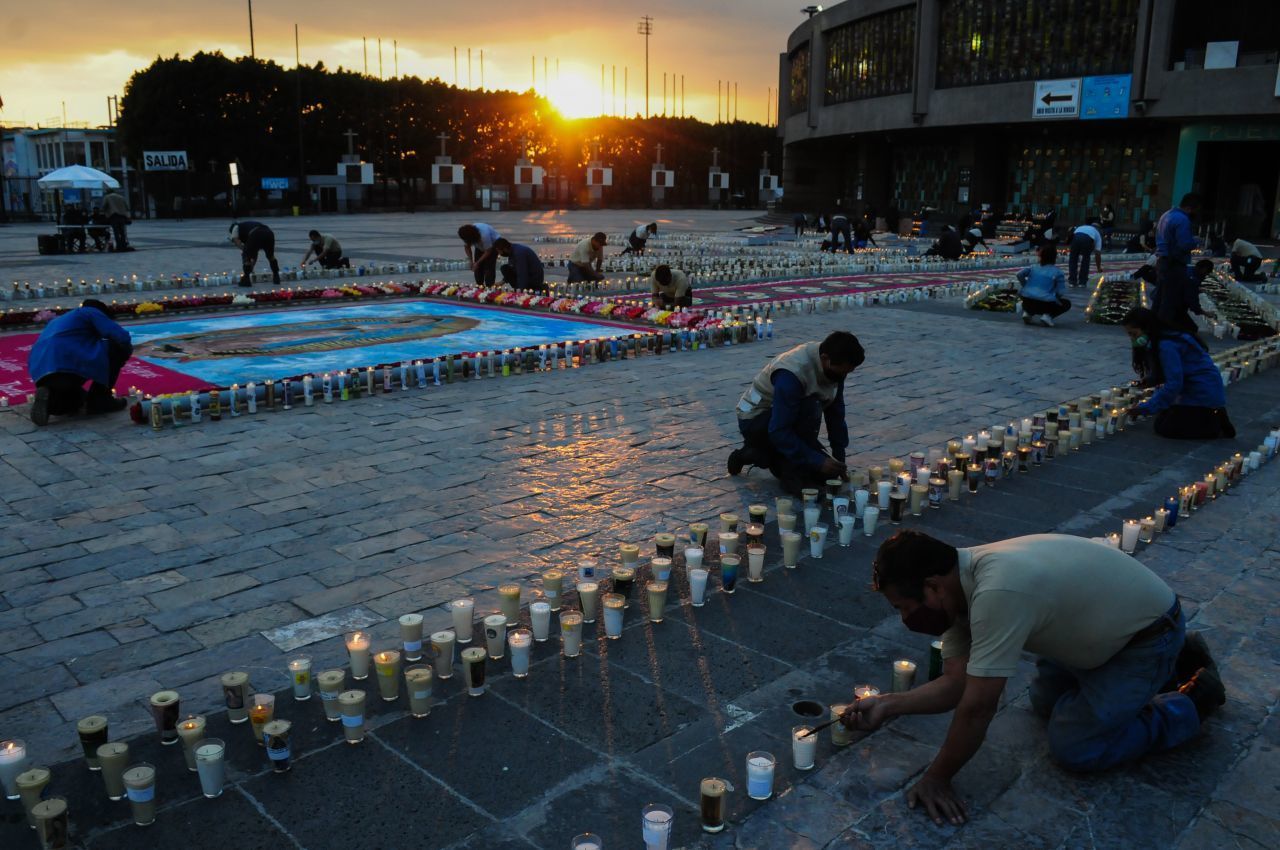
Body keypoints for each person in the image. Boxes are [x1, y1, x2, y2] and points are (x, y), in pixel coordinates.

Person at [849, 530, 1224, 826]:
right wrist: (886, 705)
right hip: (1091, 632)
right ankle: (1165, 664)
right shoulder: (958, 587)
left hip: (1143, 637)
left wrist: (937, 777)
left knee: (1076, 747)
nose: (904, 619)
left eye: (903, 607)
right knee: (1044, 703)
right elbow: (955, 684)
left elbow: (978, 707)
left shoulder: (997, 589)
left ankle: (1191, 699)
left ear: (932, 586)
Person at [727, 331, 864, 496]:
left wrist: (839, 458)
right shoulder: (792, 374)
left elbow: (836, 414)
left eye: (848, 372)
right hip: (756, 420)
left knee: (828, 472)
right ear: (825, 359)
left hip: (787, 419)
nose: (844, 377)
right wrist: (817, 460)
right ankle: (758, 455)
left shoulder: (834, 368)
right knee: (809, 409)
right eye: (842, 372)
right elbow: (779, 431)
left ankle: (765, 453)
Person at [1122, 307, 1235, 439]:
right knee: (1163, 416)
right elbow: (1169, 372)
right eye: (1129, 335)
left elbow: (1174, 383)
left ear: (1147, 328)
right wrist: (1150, 381)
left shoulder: (1166, 345)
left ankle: (1216, 422)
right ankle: (1209, 417)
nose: (1132, 339)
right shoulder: (1165, 338)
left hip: (1202, 393)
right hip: (1192, 391)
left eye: (1134, 334)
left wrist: (1144, 408)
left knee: (1164, 427)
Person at [27, 299, 133, 426]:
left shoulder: (61, 319)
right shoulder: (91, 312)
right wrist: (126, 349)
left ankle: (50, 402)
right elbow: (120, 335)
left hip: (41, 368)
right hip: (66, 359)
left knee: (74, 402)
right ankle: (101, 398)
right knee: (117, 347)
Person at [1153, 194, 1202, 329]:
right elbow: (1184, 244)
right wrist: (1196, 241)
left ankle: (1153, 326)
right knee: (1170, 300)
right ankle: (1163, 330)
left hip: (1162, 260)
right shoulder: (1183, 220)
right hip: (1174, 262)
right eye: (1196, 211)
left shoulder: (1167, 215)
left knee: (1160, 297)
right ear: (1190, 208)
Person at [1015, 243, 1069, 327]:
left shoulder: (1033, 267)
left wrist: (1025, 286)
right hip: (1045, 304)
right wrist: (1055, 297)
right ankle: (1048, 316)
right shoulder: (1058, 272)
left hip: (1027, 301)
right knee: (1066, 303)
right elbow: (1061, 292)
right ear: (1054, 257)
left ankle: (1028, 313)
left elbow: (1019, 274)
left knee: (1032, 300)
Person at [228, 221, 280, 287]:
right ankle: (276, 277)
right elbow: (254, 255)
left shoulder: (235, 227)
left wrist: (245, 251)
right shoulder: (248, 228)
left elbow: (236, 241)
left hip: (256, 233)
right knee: (271, 256)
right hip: (269, 233)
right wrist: (251, 267)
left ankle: (246, 281)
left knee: (246, 256)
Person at [1067, 219, 1104, 288]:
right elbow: (1097, 254)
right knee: (1085, 260)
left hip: (1075, 237)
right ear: (1099, 229)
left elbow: (1071, 233)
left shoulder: (1083, 226)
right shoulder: (1097, 234)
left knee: (1073, 259)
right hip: (1087, 240)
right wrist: (1099, 268)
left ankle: (1072, 281)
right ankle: (1082, 282)